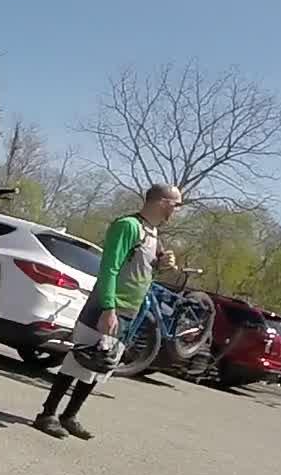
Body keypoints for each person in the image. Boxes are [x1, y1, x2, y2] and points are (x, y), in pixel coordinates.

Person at [33, 183, 183, 439]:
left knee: (100, 364)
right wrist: (108, 307)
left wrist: (161, 265)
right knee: (79, 359)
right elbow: (109, 269)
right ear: (161, 202)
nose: (178, 210)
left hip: (128, 309)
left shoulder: (152, 233)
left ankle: (70, 416)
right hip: (105, 306)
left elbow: (141, 271)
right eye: (176, 204)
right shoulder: (128, 226)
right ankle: (47, 414)